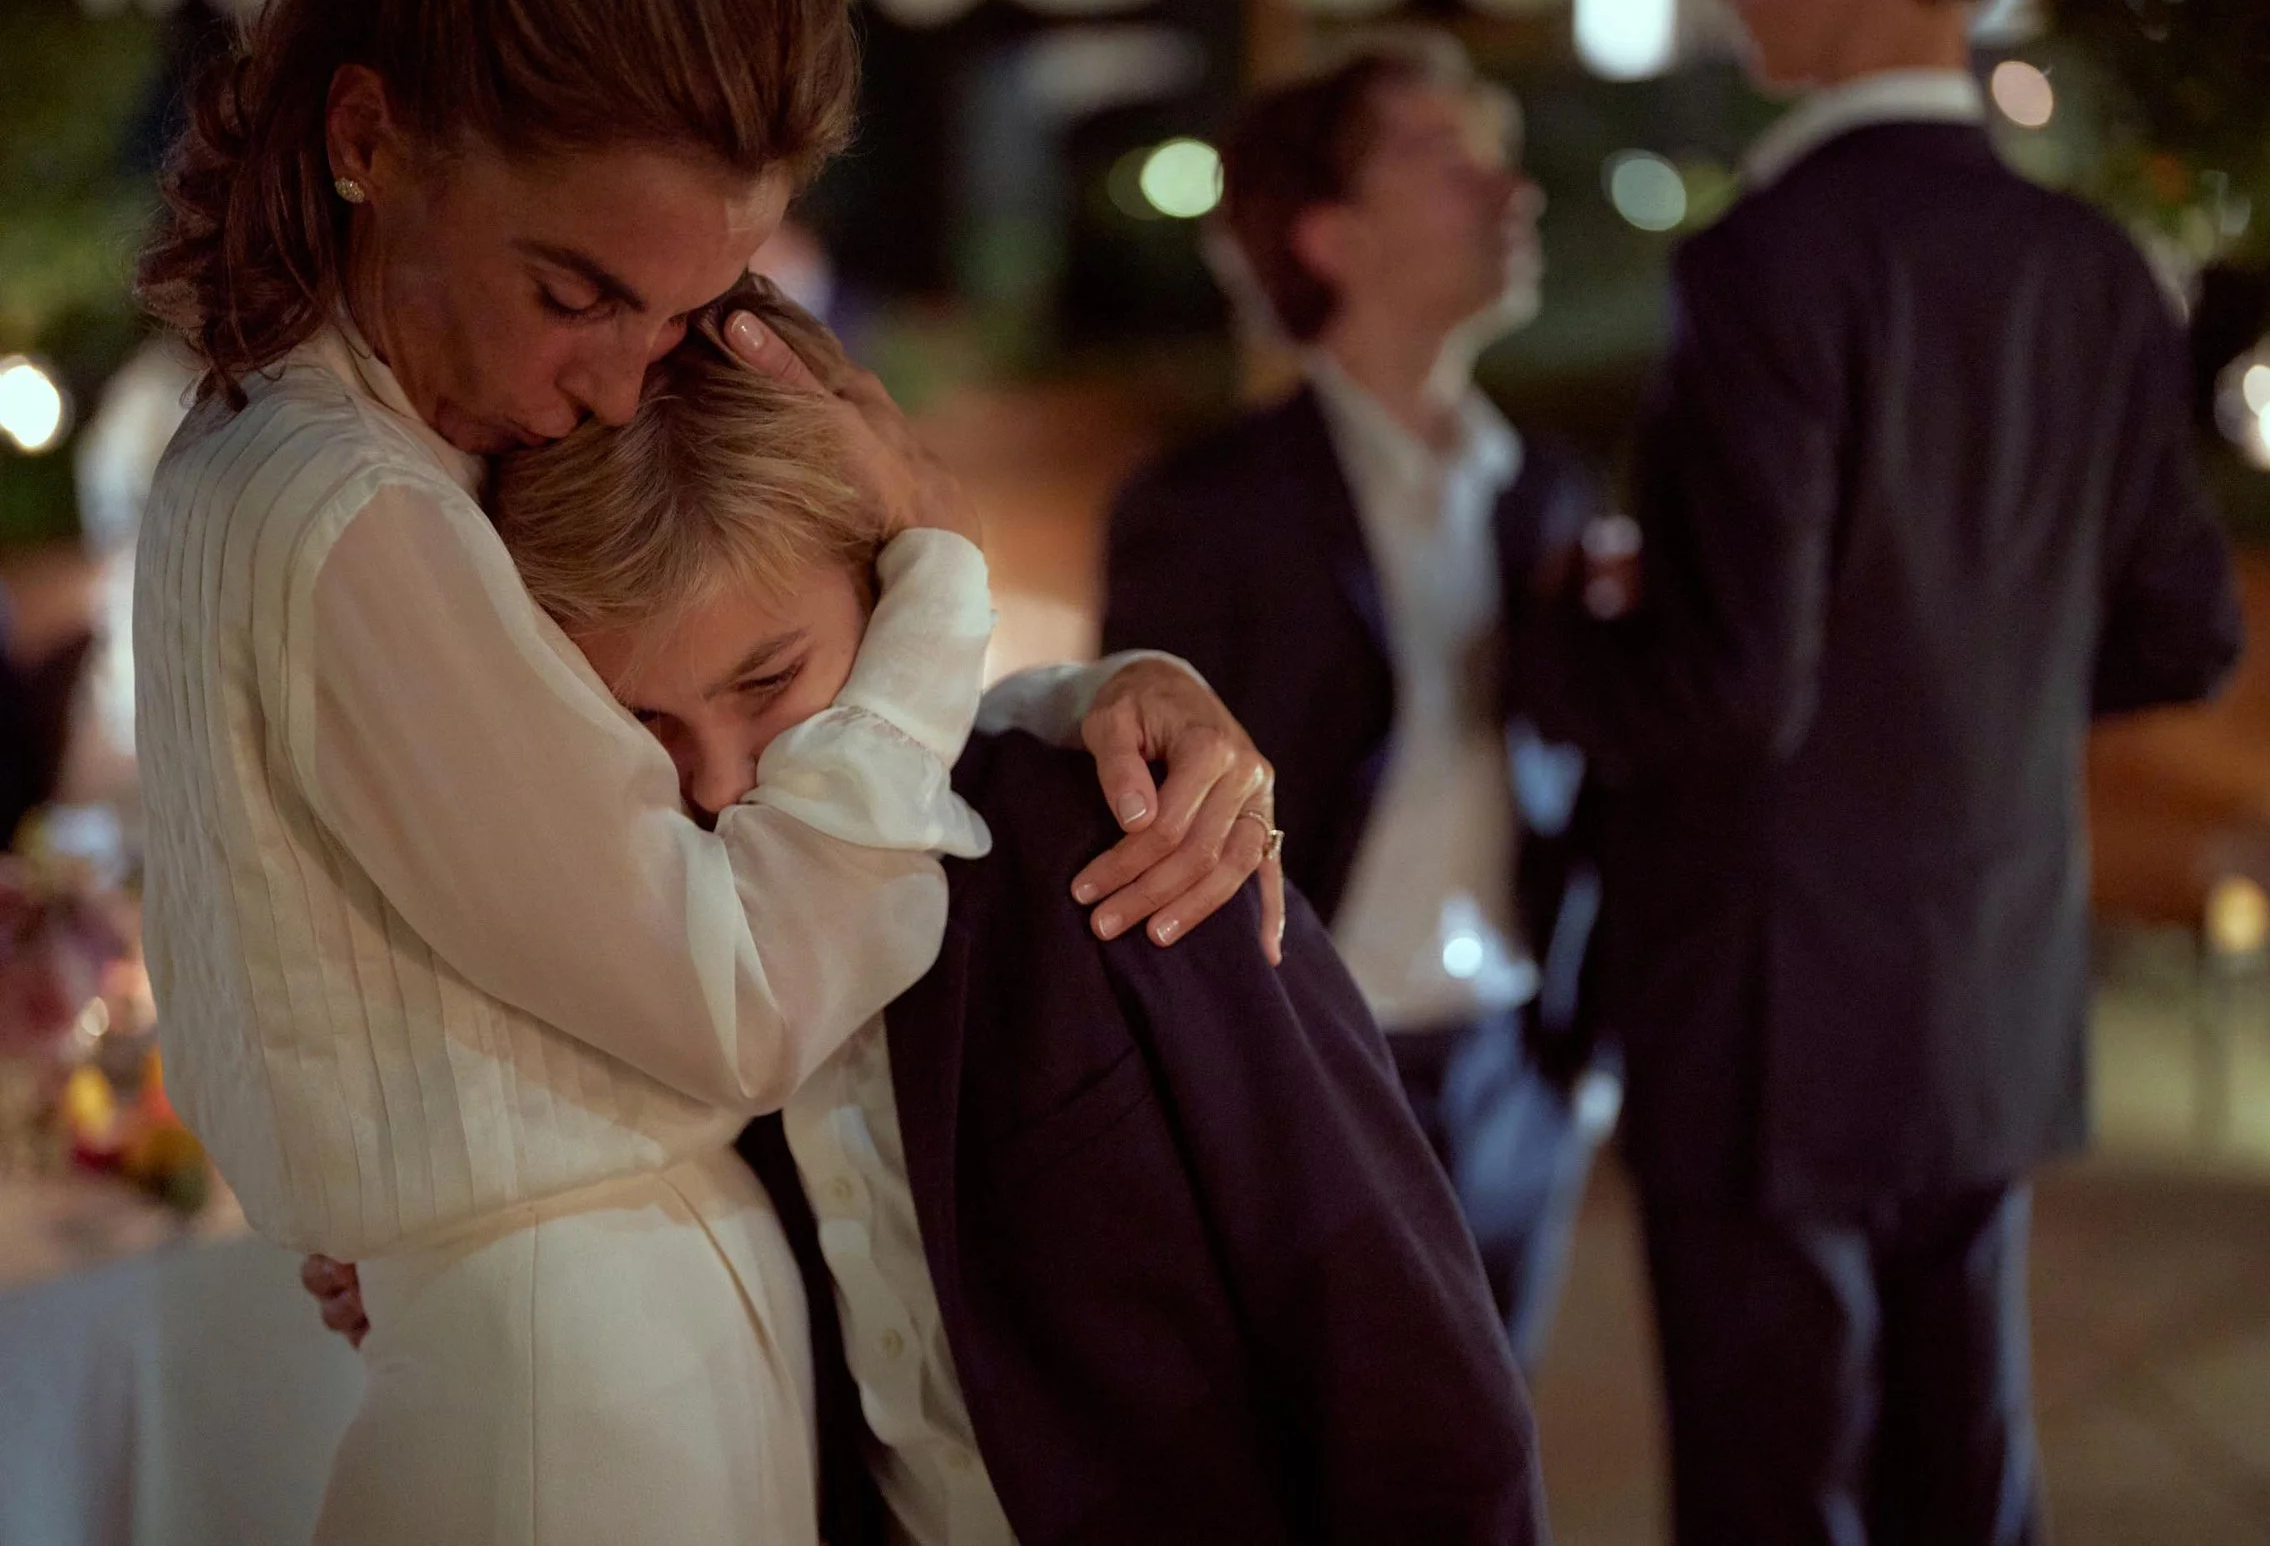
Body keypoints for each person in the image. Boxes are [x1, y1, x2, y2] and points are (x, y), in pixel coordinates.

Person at [132, 0, 1276, 1541]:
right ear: (369, 134)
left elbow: (702, 783)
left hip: (614, 1336)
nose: (615, 382)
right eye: (576, 290)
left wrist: (1097, 698)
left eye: (677, 315)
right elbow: (737, 998)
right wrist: (938, 575)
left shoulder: (382, 459)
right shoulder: (348, 503)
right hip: (570, 1377)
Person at [475, 287, 1546, 1543]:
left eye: (768, 682)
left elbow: (1409, 1374)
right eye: (646, 723)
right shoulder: (634, 936)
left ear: (890, 599)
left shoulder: (1128, 846)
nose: (721, 785)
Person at [1514, 0, 2246, 1541]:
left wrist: (1549, 637)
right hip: (1990, 964)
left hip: (1771, 989)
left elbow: (1729, 683)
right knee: (1962, 1470)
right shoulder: (2093, 265)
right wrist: (1967, 681)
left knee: (1774, 1488)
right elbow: (2187, 634)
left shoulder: (1772, 258)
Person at [1101, 35, 1609, 1368]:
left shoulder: (1547, 490)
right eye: (1448, 156)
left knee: (1489, 1465)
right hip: (1310, 1066)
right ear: (1328, 235)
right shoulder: (1206, 508)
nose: (1512, 191)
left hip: (1515, 1061)